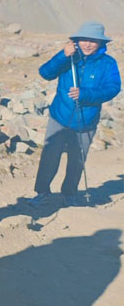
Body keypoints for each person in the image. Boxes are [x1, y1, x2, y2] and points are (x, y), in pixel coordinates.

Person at [29, 22, 120, 207]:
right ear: (77, 40)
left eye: (93, 41)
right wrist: (63, 55)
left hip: (87, 121)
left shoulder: (108, 63)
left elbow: (113, 88)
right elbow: (45, 73)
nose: (87, 44)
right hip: (59, 117)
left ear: (100, 43)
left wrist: (85, 94)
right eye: (84, 40)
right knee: (49, 157)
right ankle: (42, 192)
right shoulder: (69, 57)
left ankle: (69, 194)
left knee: (77, 160)